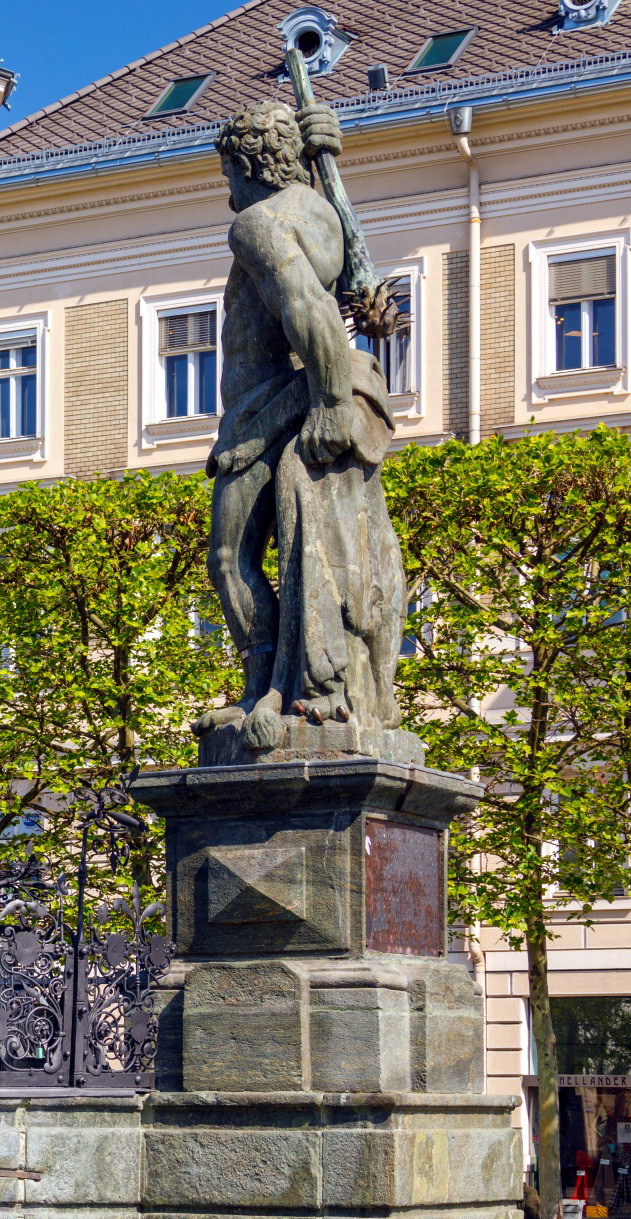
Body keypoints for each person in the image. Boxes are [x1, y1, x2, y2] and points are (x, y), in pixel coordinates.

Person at [196, 100, 404, 756]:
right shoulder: (321, 213)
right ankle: (278, 685)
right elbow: (350, 293)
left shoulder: (258, 224)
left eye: (229, 173)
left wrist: (333, 401)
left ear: (249, 166)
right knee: (297, 548)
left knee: (230, 558)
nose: (227, 191)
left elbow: (307, 306)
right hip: (301, 394)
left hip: (265, 408)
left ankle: (263, 686)